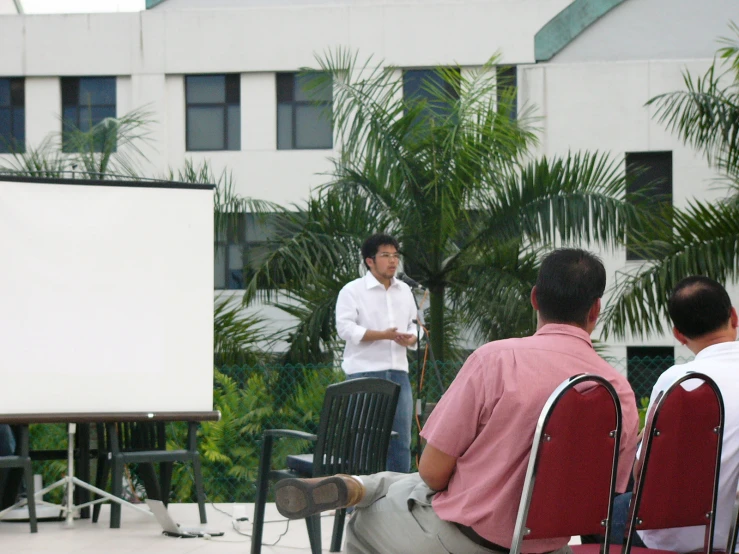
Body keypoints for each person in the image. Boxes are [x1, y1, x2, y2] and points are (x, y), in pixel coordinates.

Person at [277, 248, 640, 554]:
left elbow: (433, 473)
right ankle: (361, 485)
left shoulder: (497, 360)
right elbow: (609, 493)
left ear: (534, 298)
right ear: (595, 310)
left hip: (467, 541)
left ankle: (359, 488)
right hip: (547, 545)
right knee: (410, 484)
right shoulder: (617, 391)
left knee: (368, 518)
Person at [609, 276, 739, 552]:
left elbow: (642, 472)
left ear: (679, 335)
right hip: (732, 533)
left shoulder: (677, 381)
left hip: (676, 537)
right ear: (734, 316)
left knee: (608, 511)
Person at [334, 233, 418, 473]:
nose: (393, 261)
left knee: (401, 441)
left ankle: (396, 500)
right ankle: (360, 503)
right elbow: (345, 329)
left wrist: (412, 338)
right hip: (365, 374)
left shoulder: (404, 291)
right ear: (369, 261)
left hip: (399, 373)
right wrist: (382, 335)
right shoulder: (352, 290)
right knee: (364, 440)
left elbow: (415, 326)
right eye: (385, 256)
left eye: (395, 256)